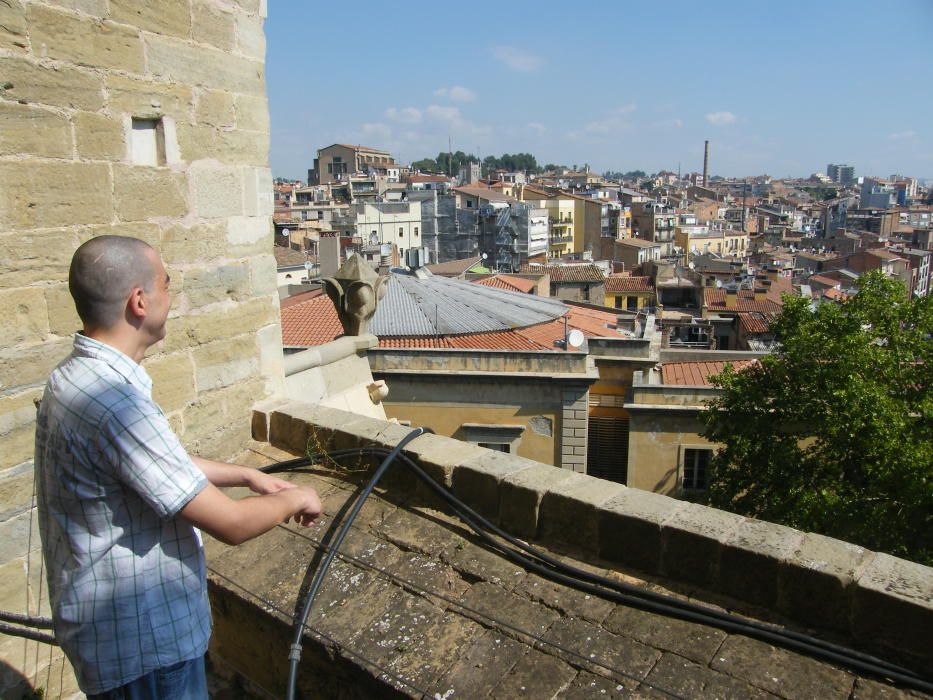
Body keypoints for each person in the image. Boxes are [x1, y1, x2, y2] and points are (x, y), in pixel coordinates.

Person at [34, 235, 322, 699]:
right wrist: (297, 496)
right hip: (144, 648)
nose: (173, 294)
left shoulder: (75, 377)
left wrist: (245, 474)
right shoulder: (116, 403)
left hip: (110, 636)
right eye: (166, 283)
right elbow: (231, 523)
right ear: (140, 301)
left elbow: (150, 462)